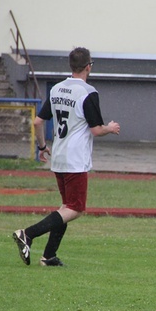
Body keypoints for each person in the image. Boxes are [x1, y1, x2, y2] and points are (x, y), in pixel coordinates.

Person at [12, 47, 120, 266]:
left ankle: (49, 256)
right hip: (75, 158)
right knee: (75, 208)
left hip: (59, 155)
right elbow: (96, 130)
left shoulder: (57, 89)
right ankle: (28, 234)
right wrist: (110, 127)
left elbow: (38, 122)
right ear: (88, 66)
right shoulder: (88, 92)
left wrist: (42, 147)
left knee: (65, 207)